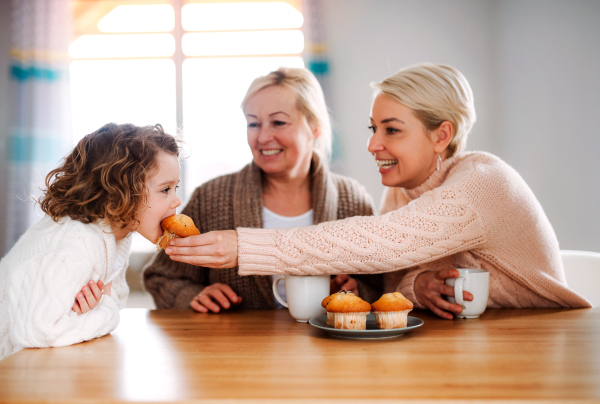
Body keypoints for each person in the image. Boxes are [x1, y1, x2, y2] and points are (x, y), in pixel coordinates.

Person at [163, 63, 591, 319]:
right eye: (373, 128)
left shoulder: (483, 180)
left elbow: (383, 243)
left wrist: (244, 246)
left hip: (546, 337)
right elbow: (394, 281)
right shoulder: (403, 190)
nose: (372, 145)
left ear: (442, 135)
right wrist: (419, 286)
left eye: (392, 130)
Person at [143, 67, 380, 313]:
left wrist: (359, 290)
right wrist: (192, 296)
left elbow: (381, 285)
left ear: (315, 128)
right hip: (240, 347)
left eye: (278, 122)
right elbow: (162, 277)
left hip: (329, 348)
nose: (263, 137)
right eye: (254, 124)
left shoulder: (353, 201)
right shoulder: (211, 198)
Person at [0, 123, 182, 360]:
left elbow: (115, 299)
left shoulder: (114, 236)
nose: (176, 201)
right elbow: (40, 332)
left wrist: (94, 310)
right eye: (165, 189)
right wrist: (102, 309)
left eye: (175, 187)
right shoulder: (78, 244)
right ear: (121, 191)